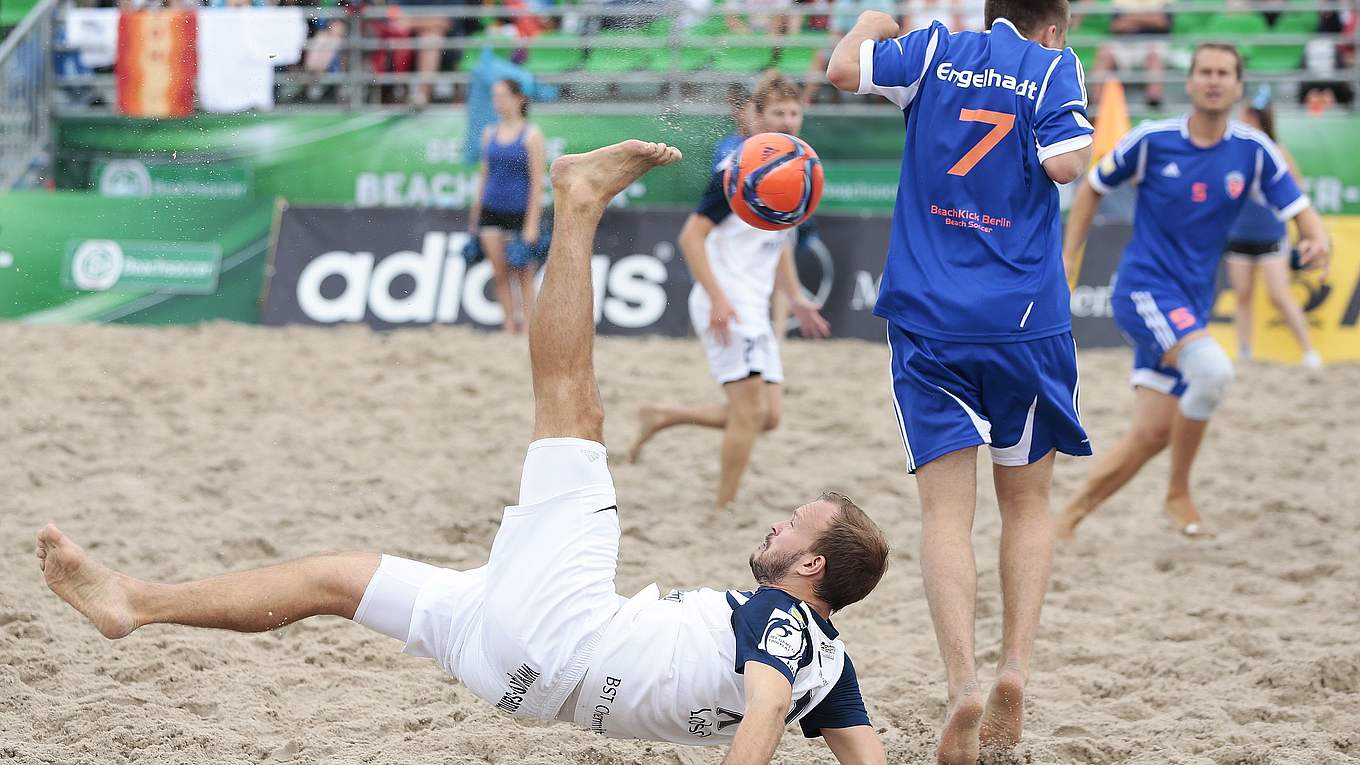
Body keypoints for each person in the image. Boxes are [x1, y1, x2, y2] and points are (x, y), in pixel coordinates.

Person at [34, 140, 892, 765]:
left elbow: (765, 712)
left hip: (560, 633)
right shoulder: (835, 668)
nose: (777, 523)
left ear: (811, 564)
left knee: (572, 409)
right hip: (513, 673)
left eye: (793, 524)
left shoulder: (784, 622)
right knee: (333, 580)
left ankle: (578, 200)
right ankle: (135, 602)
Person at [826, 2, 1094, 763]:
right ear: (1054, 26)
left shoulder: (934, 50)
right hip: (1024, 318)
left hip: (930, 316)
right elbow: (1066, 164)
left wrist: (873, 21)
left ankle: (962, 683)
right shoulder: (1053, 64)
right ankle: (1016, 668)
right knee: (1027, 504)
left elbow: (842, 69)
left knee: (946, 515)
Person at [1055, 44, 1331, 541]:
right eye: (1204, 71)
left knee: (1152, 434)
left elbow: (1300, 208)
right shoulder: (1152, 140)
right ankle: (1179, 493)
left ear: (1238, 86)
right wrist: (1069, 254)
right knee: (1213, 371)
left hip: (1191, 302)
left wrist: (1317, 239)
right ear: (1190, 82)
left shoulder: (1253, 150)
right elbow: (1093, 184)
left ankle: (1065, 521)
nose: (1213, 80)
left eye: (1223, 73)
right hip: (1144, 290)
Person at [627, 74, 831, 510]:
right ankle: (725, 508)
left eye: (794, 112)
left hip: (752, 302)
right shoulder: (737, 171)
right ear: (756, 117)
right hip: (729, 300)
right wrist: (719, 299)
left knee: (769, 417)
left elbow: (778, 242)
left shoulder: (793, 171)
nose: (788, 121)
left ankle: (662, 415)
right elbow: (690, 237)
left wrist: (795, 297)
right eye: (777, 112)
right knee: (749, 413)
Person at [1225, 86, 1322, 369]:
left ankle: (1309, 350)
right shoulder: (1233, 150)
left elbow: (1297, 192)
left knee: (1279, 295)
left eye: (1250, 115)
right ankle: (1244, 352)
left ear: (1260, 118)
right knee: (1242, 296)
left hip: (1270, 233)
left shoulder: (1275, 151)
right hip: (1239, 232)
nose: (1244, 120)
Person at [469, 79, 546, 334]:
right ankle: (509, 325)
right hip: (491, 210)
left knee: (524, 274)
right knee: (500, 273)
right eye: (495, 97)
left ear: (518, 98)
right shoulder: (489, 133)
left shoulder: (531, 135)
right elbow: (484, 176)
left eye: (502, 96)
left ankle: (529, 327)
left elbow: (537, 182)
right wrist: (475, 217)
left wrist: (532, 224)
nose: (498, 102)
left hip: (519, 212)